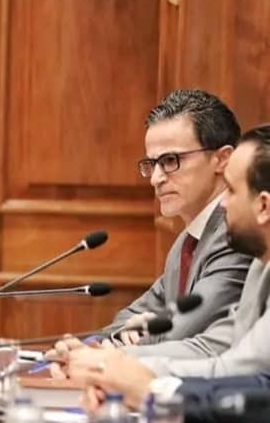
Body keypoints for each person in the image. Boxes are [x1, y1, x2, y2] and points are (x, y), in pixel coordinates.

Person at [67, 125, 270, 416]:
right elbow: (220, 346)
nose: (223, 204)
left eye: (232, 190)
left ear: (264, 206)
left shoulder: (240, 251)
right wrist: (107, 362)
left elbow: (239, 369)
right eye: (152, 164)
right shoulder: (258, 265)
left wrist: (140, 383)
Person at [53, 91, 251, 358]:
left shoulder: (237, 234)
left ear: (222, 159)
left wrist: (107, 352)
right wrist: (96, 344)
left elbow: (184, 330)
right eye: (152, 164)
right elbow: (130, 315)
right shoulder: (187, 242)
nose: (155, 178)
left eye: (170, 161)